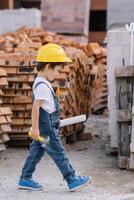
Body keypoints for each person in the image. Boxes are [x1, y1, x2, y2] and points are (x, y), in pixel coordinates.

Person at [18, 43, 92, 192]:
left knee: (36, 151)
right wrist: (36, 128)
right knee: (59, 152)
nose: (58, 73)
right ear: (47, 66)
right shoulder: (42, 87)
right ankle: (72, 180)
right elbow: (35, 108)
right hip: (47, 127)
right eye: (58, 69)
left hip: (49, 124)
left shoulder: (42, 83)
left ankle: (25, 178)